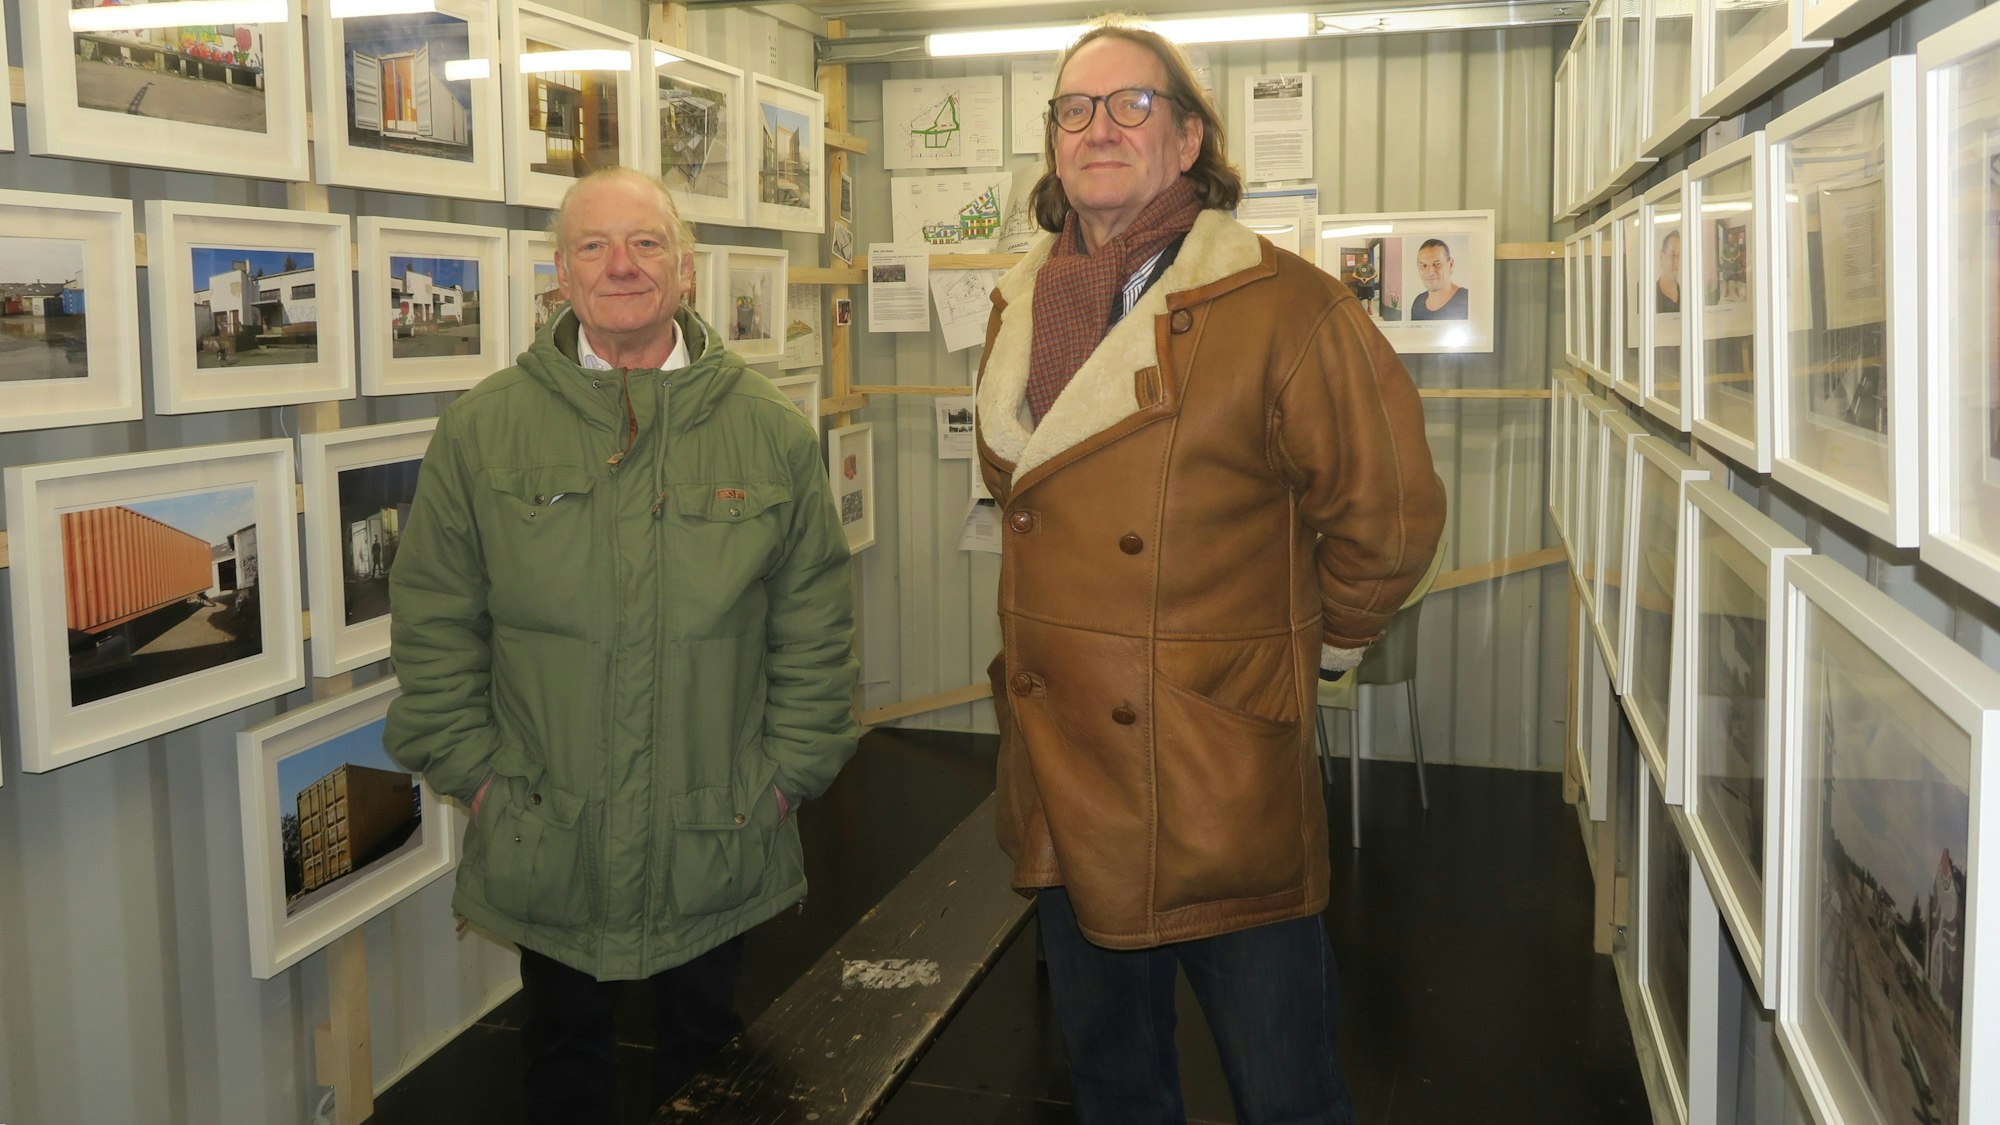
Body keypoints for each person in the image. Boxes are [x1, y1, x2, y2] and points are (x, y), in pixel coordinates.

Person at [974, 20, 1445, 1125]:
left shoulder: (1282, 306)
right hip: (1065, 762)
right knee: (1113, 1085)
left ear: (1188, 140)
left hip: (1213, 769)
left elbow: (1388, 517)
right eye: (1074, 109)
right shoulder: (1021, 303)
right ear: (1052, 141)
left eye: (1131, 105)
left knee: (1284, 1093)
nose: (1099, 128)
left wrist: (1317, 654)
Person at [384, 167, 859, 1125]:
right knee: (562, 1055)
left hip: (718, 823)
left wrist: (783, 778)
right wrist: (480, 779)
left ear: (685, 269)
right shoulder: (484, 431)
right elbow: (434, 621)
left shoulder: (766, 431)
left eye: (646, 243)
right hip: (547, 826)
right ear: (560, 274)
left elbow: (816, 624)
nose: (622, 265)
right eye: (594, 246)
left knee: (710, 1057)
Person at [1409, 237, 1469, 320]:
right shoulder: (1418, 303)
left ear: (1451, 264)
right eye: (1424, 265)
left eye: (1437, 264)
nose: (1430, 272)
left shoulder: (1468, 300)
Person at [1656, 228, 1681, 313]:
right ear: (1661, 255)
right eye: (1672, 255)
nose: (1676, 263)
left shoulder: (1687, 295)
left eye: (1679, 256)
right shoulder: (1650, 296)